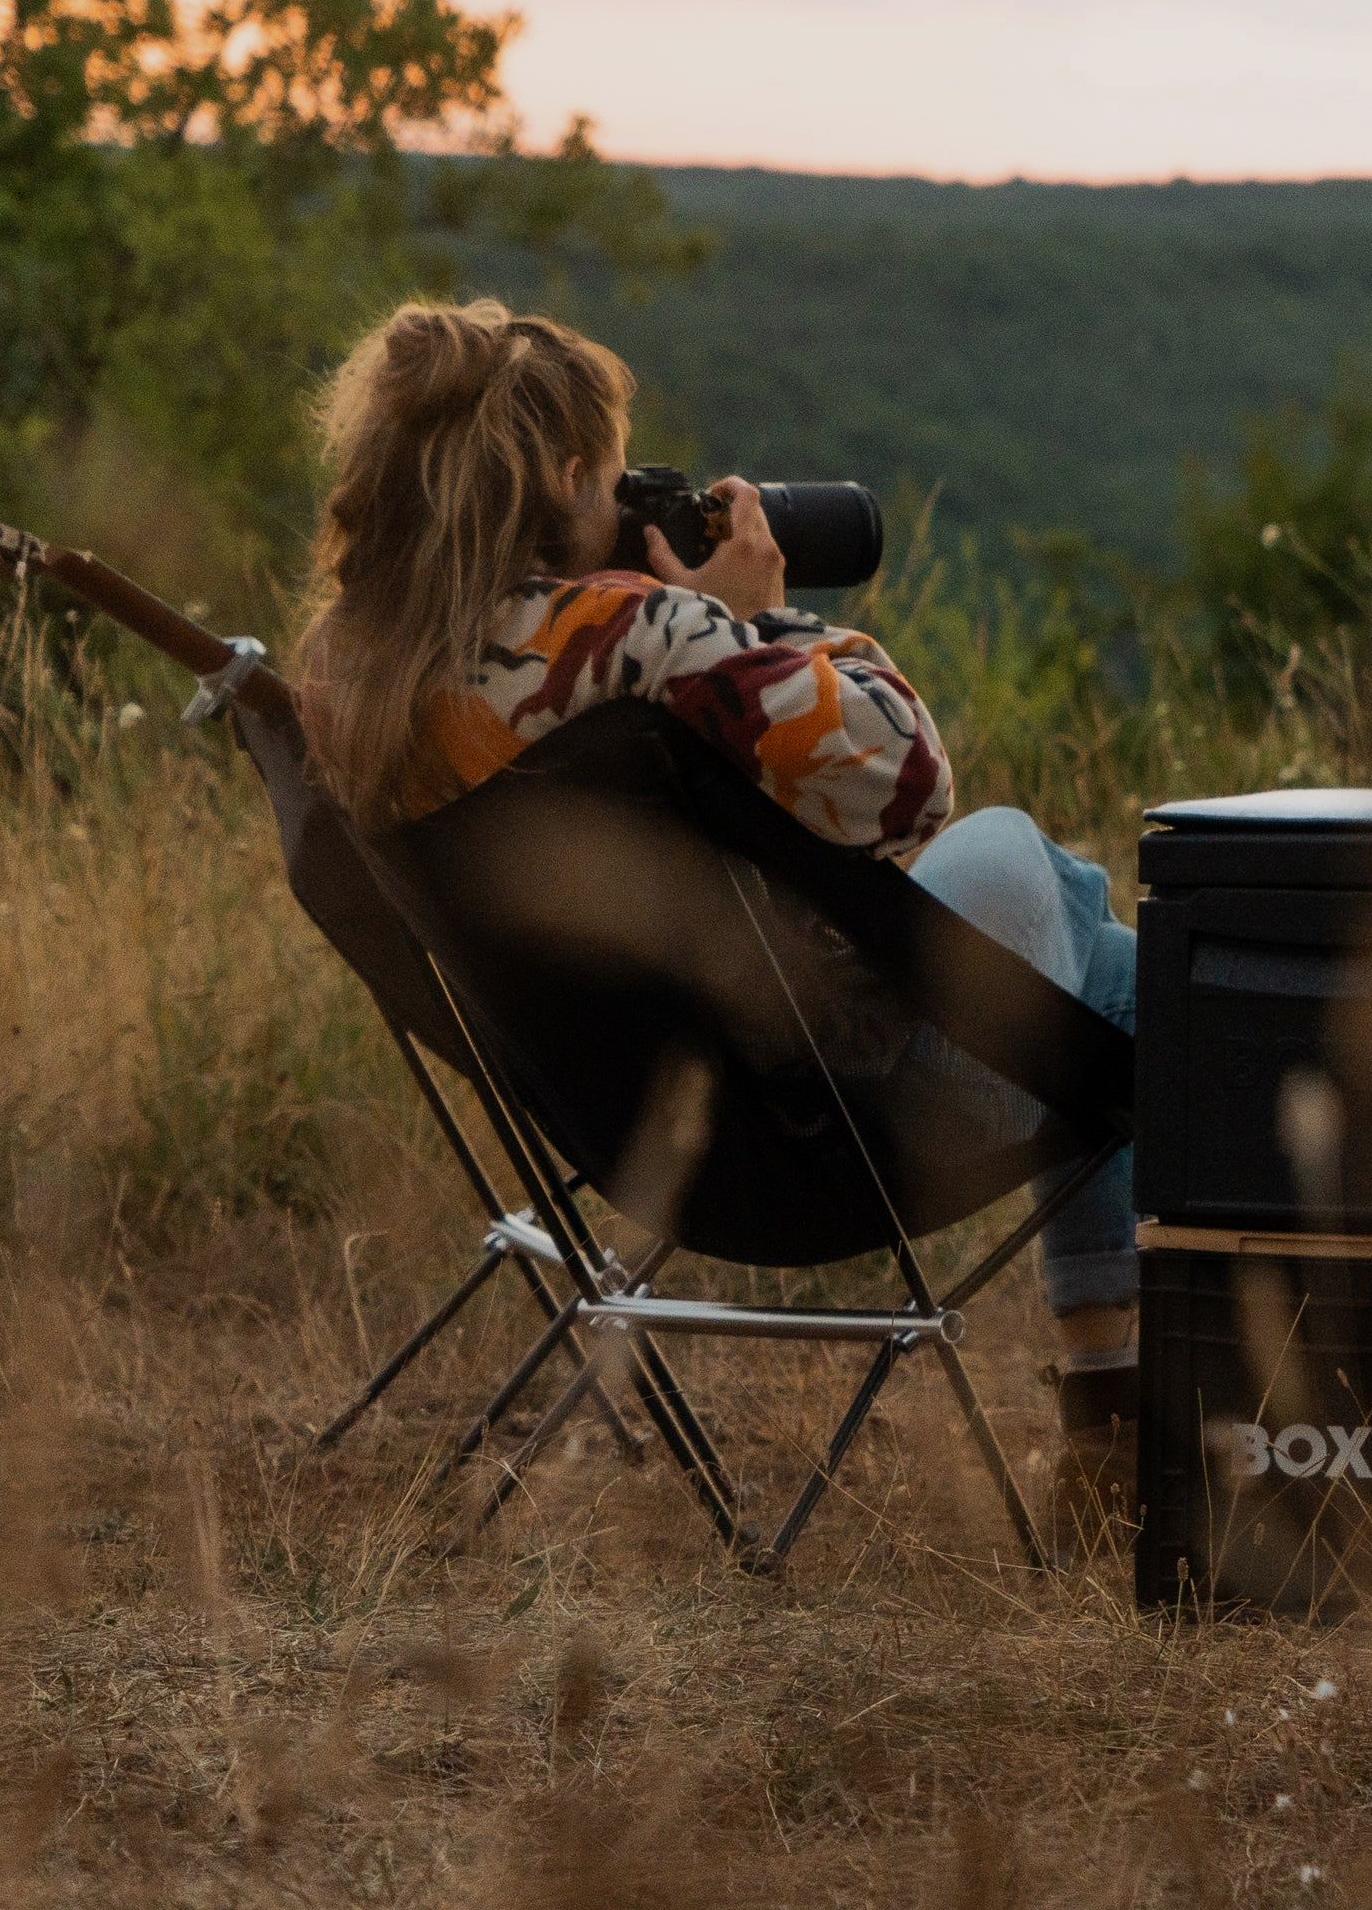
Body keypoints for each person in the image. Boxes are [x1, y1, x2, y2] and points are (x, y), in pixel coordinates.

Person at [296, 298, 1138, 1534]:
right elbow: (908, 782)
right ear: (574, 474)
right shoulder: (636, 631)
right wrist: (753, 614)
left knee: (1109, 967)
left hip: (628, 1134)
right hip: (831, 1131)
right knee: (1043, 881)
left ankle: (1117, 1403)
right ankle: (1128, 1412)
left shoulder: (342, 673)